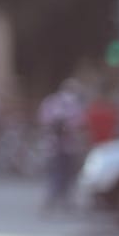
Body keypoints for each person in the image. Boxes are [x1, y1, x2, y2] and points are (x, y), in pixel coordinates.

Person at [37, 78, 85, 213]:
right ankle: (62, 200)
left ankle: (52, 200)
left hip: (52, 144)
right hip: (68, 145)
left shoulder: (50, 102)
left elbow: (43, 120)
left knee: (56, 172)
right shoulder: (74, 104)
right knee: (65, 173)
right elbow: (79, 123)